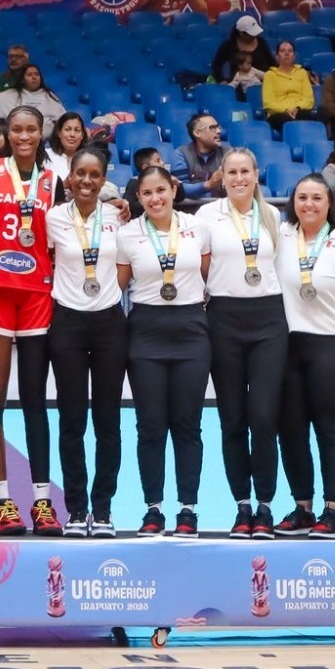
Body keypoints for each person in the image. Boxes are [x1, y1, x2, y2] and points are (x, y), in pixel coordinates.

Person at [0, 106, 59, 536]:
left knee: (34, 398)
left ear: (42, 133)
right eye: (17, 130)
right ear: (6, 133)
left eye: (31, 129)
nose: (24, 136)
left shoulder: (54, 180)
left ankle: (42, 502)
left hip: (37, 296)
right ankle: (2, 502)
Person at [197, 148, 287, 538]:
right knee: (232, 419)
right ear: (222, 176)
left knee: (263, 418)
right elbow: (200, 264)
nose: (238, 178)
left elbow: (280, 268)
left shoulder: (272, 216)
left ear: (255, 174)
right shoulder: (206, 216)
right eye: (231, 172)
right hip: (223, 319)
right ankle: (242, 506)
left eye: (244, 171)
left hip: (268, 320)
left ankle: (265, 505)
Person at [116, 165, 210, 536]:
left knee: (187, 425)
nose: (155, 199)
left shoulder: (197, 227)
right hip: (145, 331)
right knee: (151, 426)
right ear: (138, 198)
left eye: (161, 190)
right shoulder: (127, 234)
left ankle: (188, 510)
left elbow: (208, 275)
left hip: (191, 330)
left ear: (173, 190)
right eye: (147, 193)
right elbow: (117, 286)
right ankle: (153, 509)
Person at [275, 175, 335, 539]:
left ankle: (333, 511)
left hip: (331, 346)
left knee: (331, 432)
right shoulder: (281, 236)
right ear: (293, 203)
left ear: (329, 202)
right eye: (302, 197)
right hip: (286, 347)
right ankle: (302, 507)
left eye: (317, 197)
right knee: (291, 432)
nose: (309, 204)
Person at [46, 148, 127, 538]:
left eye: (95, 174)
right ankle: (77, 510)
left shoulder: (117, 217)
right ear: (70, 177)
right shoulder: (53, 217)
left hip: (110, 322)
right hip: (67, 323)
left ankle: (104, 509)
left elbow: (127, 264)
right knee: (72, 420)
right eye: (81, 173)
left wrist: (108, 292)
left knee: (108, 422)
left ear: (104, 179)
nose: (87, 181)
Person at [0, 62, 65, 134]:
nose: (34, 77)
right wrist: (0, 128)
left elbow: (64, 119)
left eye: (37, 74)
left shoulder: (49, 96)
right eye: (29, 75)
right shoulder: (11, 95)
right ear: (22, 80)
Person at [172, 113, 226, 202]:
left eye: (218, 127)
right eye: (213, 127)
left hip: (222, 207)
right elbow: (179, 189)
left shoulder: (227, 152)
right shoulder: (181, 154)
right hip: (191, 208)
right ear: (197, 133)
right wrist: (209, 184)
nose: (219, 131)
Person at [262, 41, 316, 127]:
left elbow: (309, 99)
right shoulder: (269, 75)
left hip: (299, 110)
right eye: (282, 51)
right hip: (279, 113)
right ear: (277, 56)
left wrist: (297, 108)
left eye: (290, 51)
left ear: (294, 56)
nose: (287, 53)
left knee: (314, 115)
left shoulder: (302, 72)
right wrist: (286, 110)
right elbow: (268, 102)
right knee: (287, 120)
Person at [211, 15, 276, 85]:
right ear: (241, 33)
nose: (254, 36)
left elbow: (271, 62)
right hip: (238, 84)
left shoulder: (261, 42)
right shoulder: (229, 45)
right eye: (251, 35)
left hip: (263, 83)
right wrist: (221, 80)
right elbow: (216, 64)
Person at [42, 112, 90, 188]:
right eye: (67, 130)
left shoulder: (89, 159)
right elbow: (40, 188)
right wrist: (64, 185)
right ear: (59, 133)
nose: (72, 135)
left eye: (77, 130)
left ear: (82, 135)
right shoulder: (45, 156)